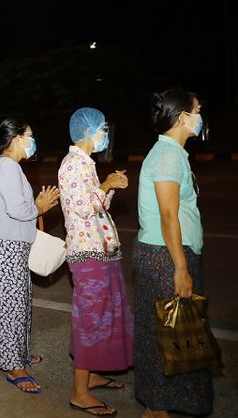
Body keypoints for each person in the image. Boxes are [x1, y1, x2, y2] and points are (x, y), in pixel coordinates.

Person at [134, 90, 213, 417]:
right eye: (196, 110)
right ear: (181, 117)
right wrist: (180, 268)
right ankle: (157, 408)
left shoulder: (174, 153)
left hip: (170, 253)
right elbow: (169, 216)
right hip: (165, 256)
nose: (200, 116)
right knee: (168, 335)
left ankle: (163, 406)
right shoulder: (166, 156)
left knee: (176, 333)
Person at [58, 108, 133, 416]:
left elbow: (98, 207)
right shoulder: (74, 164)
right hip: (88, 254)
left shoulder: (85, 164)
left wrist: (109, 185)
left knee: (103, 316)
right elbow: (82, 209)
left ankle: (92, 374)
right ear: (88, 131)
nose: (104, 133)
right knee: (91, 318)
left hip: (100, 249)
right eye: (101, 128)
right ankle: (79, 391)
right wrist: (106, 186)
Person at [0, 119, 60, 393]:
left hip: (14, 246)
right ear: (16, 138)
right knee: (8, 308)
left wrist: (38, 205)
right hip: (5, 248)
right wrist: (39, 207)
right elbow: (19, 210)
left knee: (19, 305)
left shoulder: (11, 167)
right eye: (29, 135)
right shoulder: (6, 167)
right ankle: (12, 366)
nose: (32, 140)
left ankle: (19, 354)